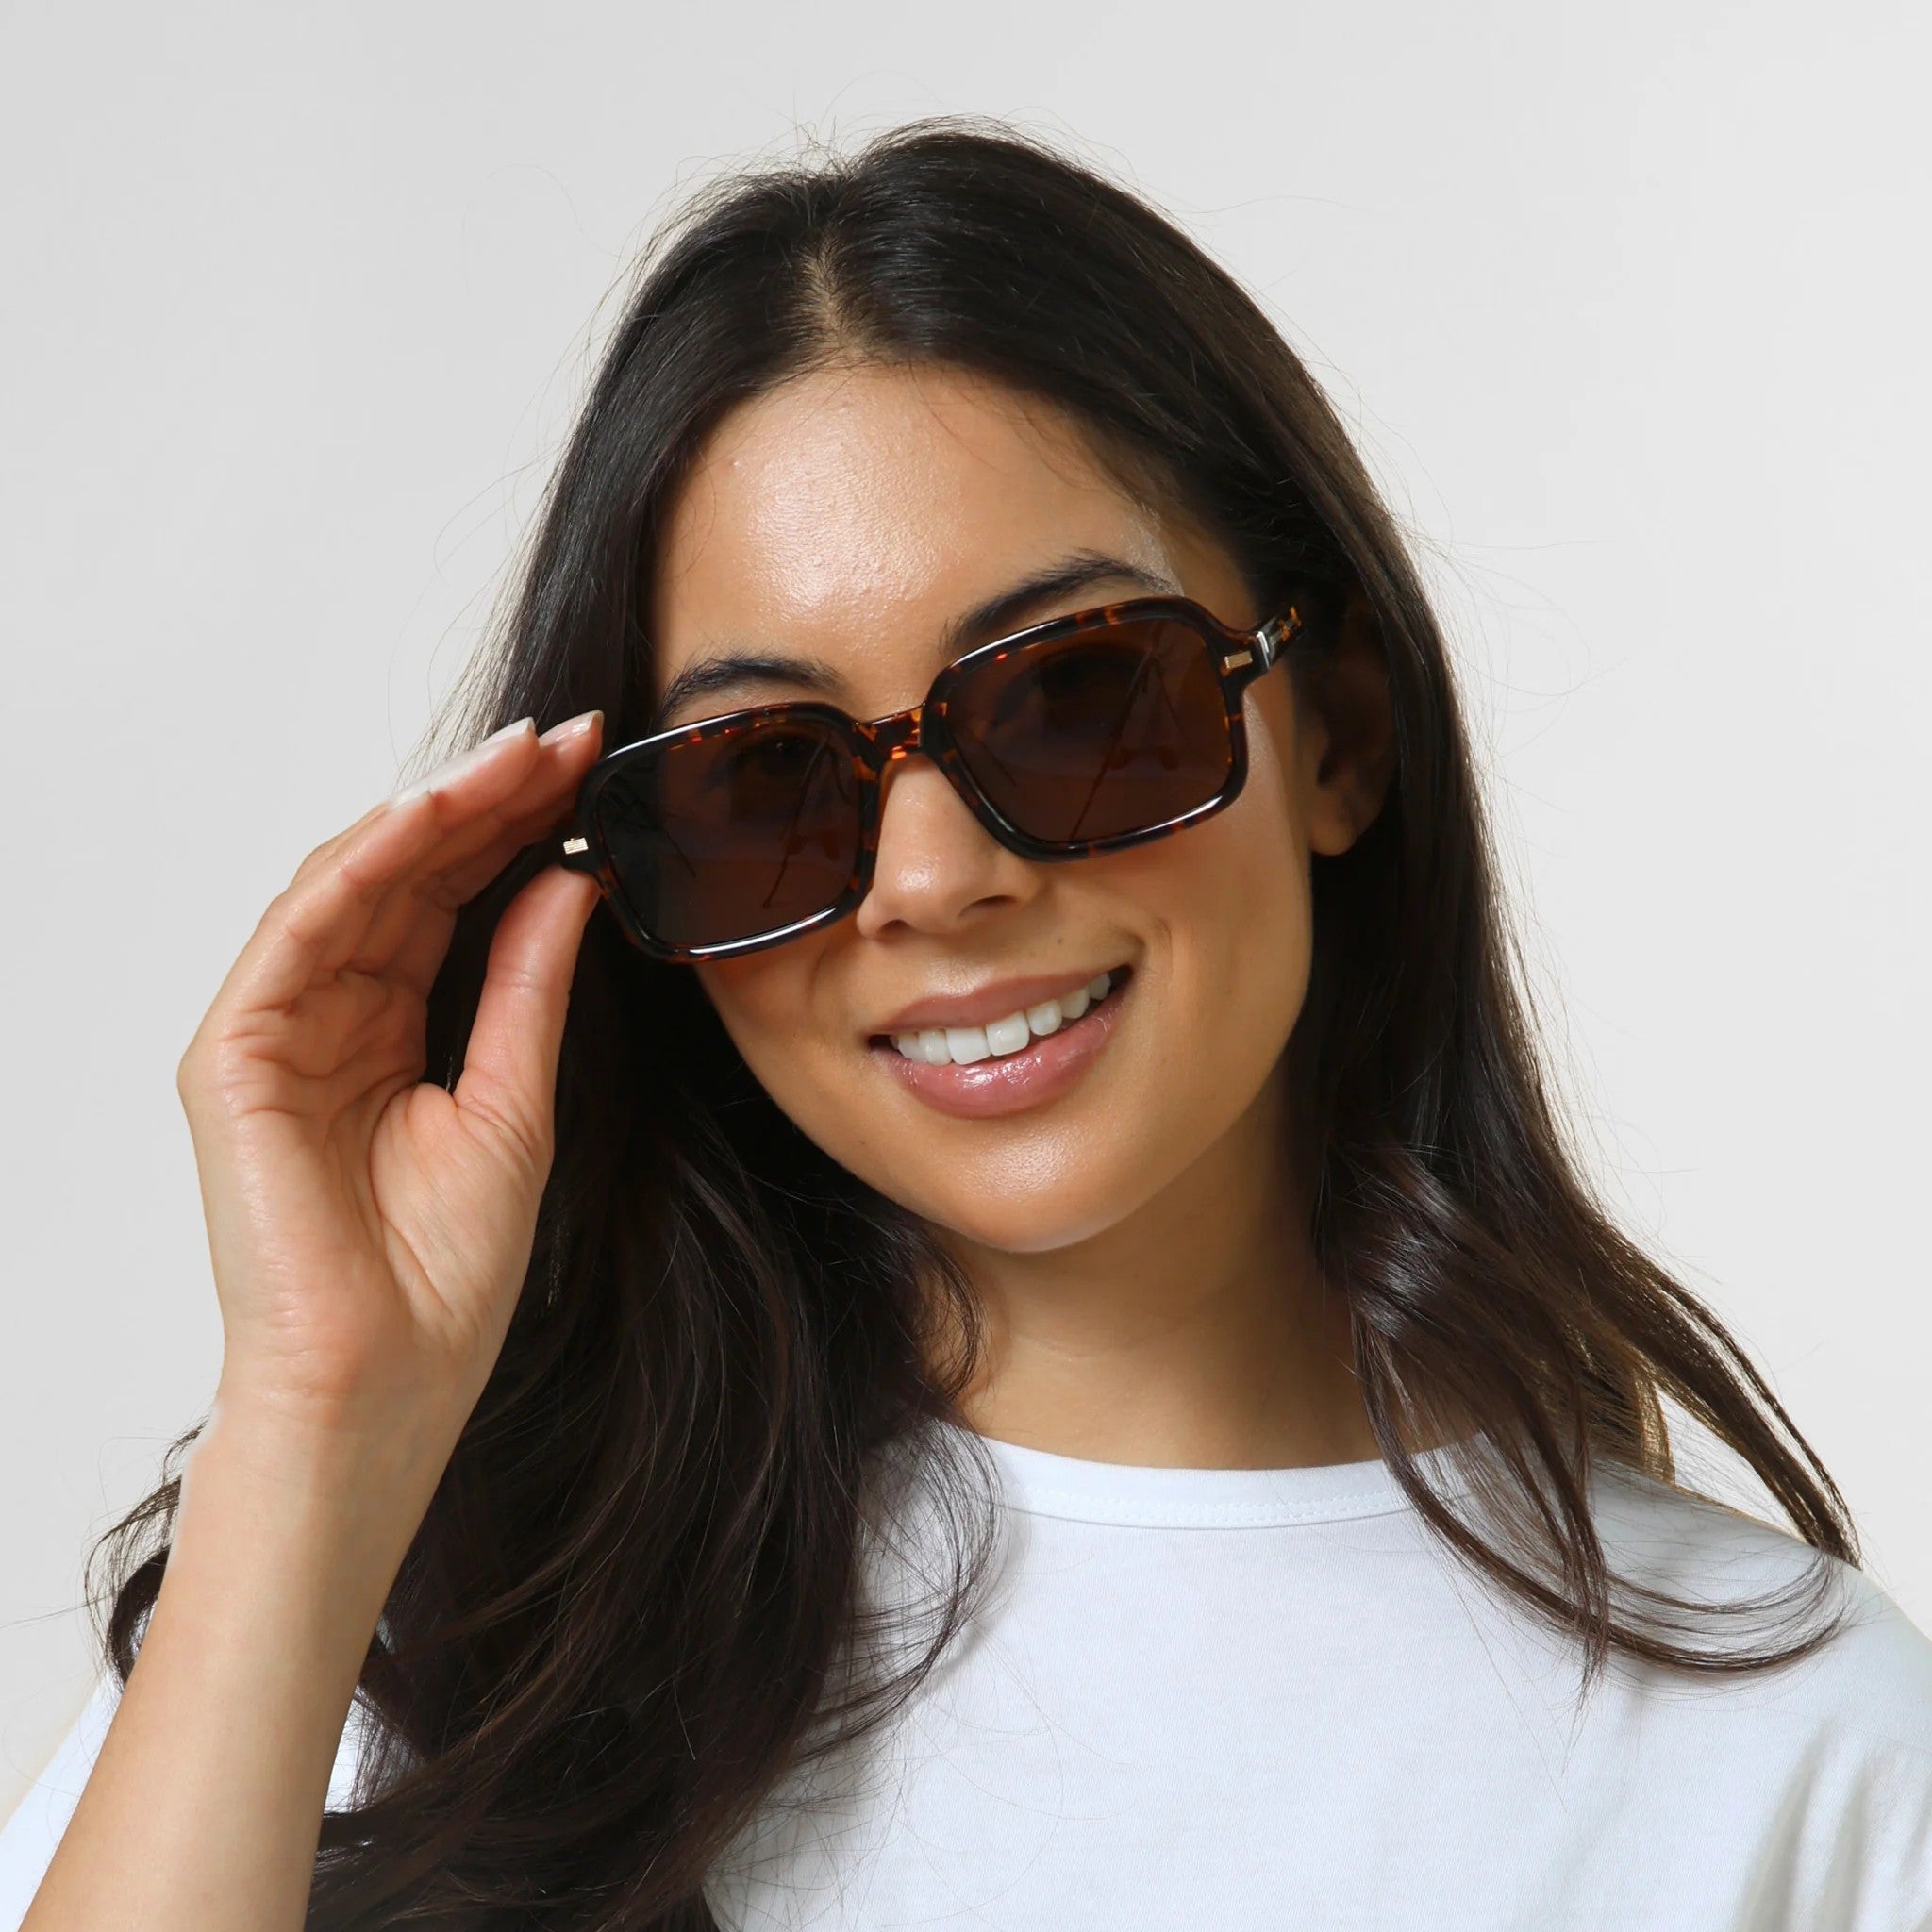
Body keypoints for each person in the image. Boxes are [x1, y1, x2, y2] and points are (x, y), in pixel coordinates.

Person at [4, 115, 1929, 1932]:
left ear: (1336, 731)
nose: (928, 879)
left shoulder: (1792, 1748)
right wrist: (320, 1408)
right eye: (766, 784)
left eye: (1077, 698)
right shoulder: (433, 1617)